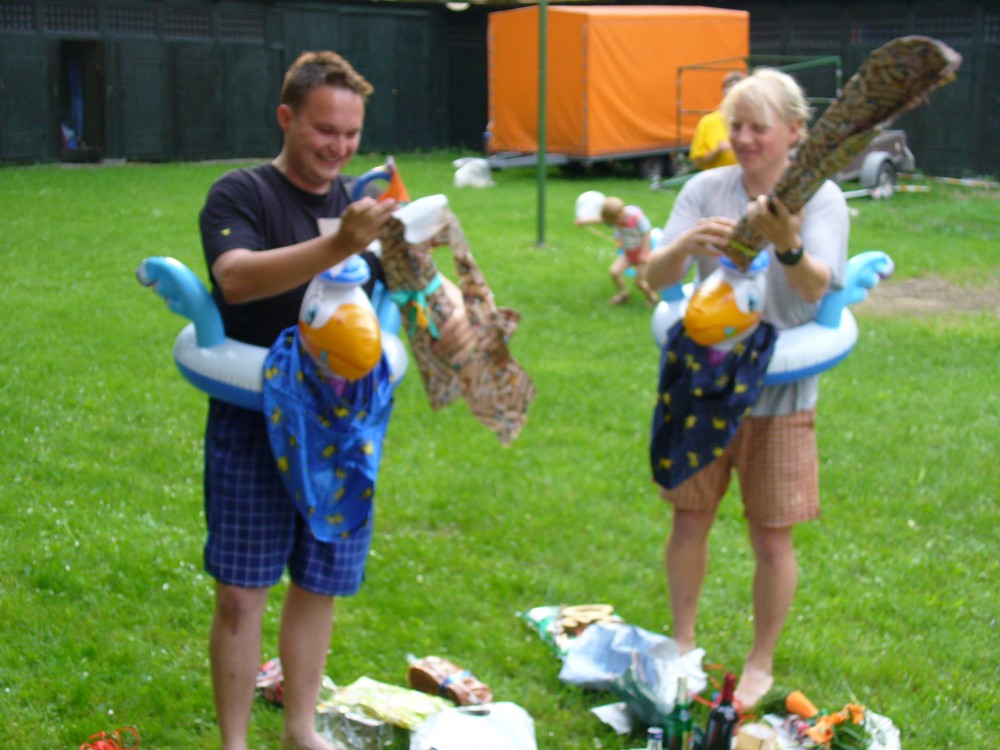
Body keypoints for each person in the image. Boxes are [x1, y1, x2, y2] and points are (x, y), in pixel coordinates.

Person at [198, 50, 472, 750]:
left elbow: (415, 279)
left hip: (344, 426)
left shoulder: (364, 204)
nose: (339, 147)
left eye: (351, 134)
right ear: (286, 118)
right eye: (325, 130)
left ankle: (299, 728)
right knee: (241, 592)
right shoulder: (241, 194)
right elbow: (235, 280)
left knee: (319, 582)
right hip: (254, 420)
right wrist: (339, 246)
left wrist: (451, 307)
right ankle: (234, 744)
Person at [644, 68, 848, 709]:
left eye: (759, 127)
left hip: (781, 396)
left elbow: (816, 288)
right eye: (737, 125)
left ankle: (760, 662)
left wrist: (788, 246)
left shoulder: (822, 199)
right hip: (703, 385)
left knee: (771, 536)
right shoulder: (707, 188)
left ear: (794, 131)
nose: (744, 138)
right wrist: (683, 243)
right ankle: (682, 644)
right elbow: (655, 277)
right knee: (689, 518)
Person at [601, 196, 660, 306]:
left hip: (641, 254)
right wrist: (584, 221)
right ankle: (624, 294)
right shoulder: (616, 216)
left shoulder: (636, 217)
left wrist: (644, 252)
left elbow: (647, 233)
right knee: (614, 272)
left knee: (639, 282)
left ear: (620, 214)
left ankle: (652, 297)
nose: (614, 224)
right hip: (628, 253)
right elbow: (603, 220)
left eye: (615, 221)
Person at [688, 70, 747, 172]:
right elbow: (698, 162)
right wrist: (716, 151)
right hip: (716, 179)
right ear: (722, 91)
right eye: (730, 86)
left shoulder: (754, 120)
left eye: (738, 87)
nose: (733, 90)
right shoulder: (708, 122)